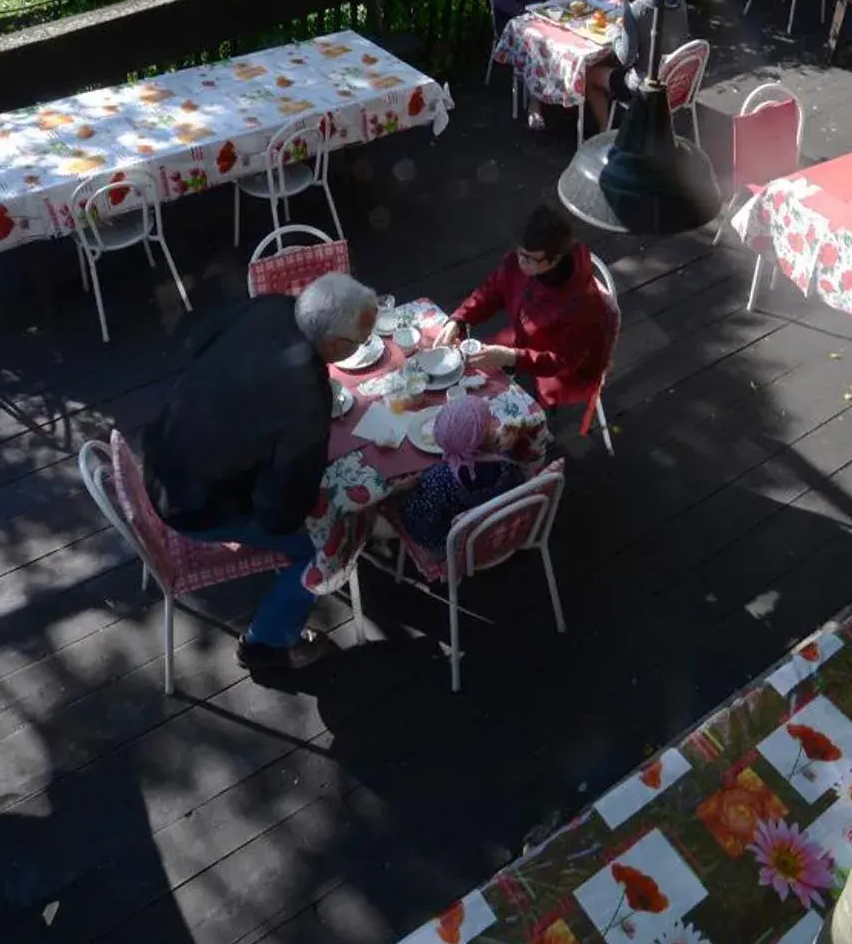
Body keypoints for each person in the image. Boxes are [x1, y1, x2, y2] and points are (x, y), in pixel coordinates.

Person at [141, 272, 379, 675]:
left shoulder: (272, 307)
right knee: (319, 546)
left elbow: (197, 341)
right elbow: (281, 511)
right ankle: (266, 643)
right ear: (336, 345)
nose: (360, 349)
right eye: (358, 343)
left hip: (164, 453)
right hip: (192, 506)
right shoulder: (305, 400)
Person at [436, 204, 615, 420]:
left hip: (560, 370)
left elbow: (563, 362)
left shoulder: (582, 305)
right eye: (519, 252)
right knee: (464, 373)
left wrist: (511, 357)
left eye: (530, 258)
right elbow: (491, 292)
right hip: (523, 341)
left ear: (556, 258)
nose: (520, 261)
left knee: (497, 411)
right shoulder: (519, 261)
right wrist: (459, 319)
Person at [396, 397, 518, 563]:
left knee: (395, 503)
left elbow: (422, 522)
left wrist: (406, 490)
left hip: (454, 545)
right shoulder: (506, 461)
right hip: (497, 529)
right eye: (491, 422)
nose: (497, 423)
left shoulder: (441, 478)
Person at [587, 0, 690, 134]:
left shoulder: (634, 10)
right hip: (677, 81)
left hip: (647, 88)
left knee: (592, 74)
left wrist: (616, 32)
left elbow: (626, 58)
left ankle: (604, 131)